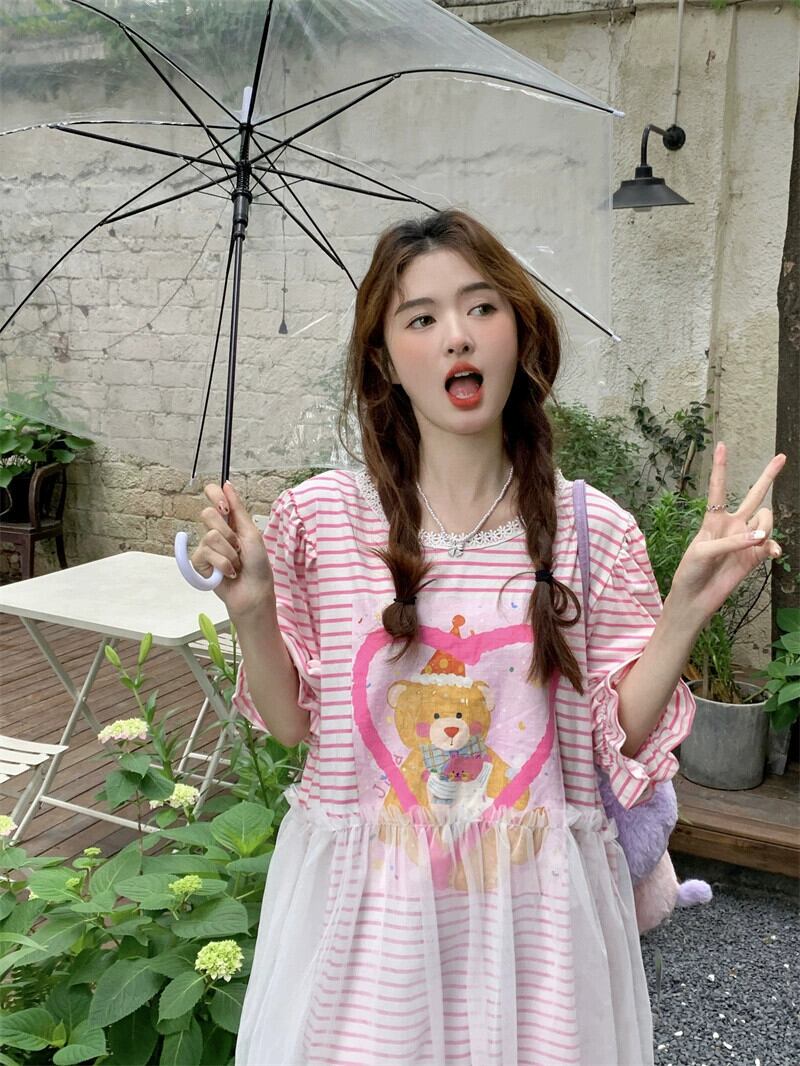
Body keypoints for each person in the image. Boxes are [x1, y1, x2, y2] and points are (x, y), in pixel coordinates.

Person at [192, 209, 785, 1066]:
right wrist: (251, 606)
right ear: (383, 359)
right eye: (420, 318)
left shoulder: (593, 530)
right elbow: (291, 728)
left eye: (481, 307)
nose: (456, 336)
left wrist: (686, 608)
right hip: (368, 924)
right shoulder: (322, 519)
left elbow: (621, 735)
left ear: (520, 332)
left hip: (538, 928)